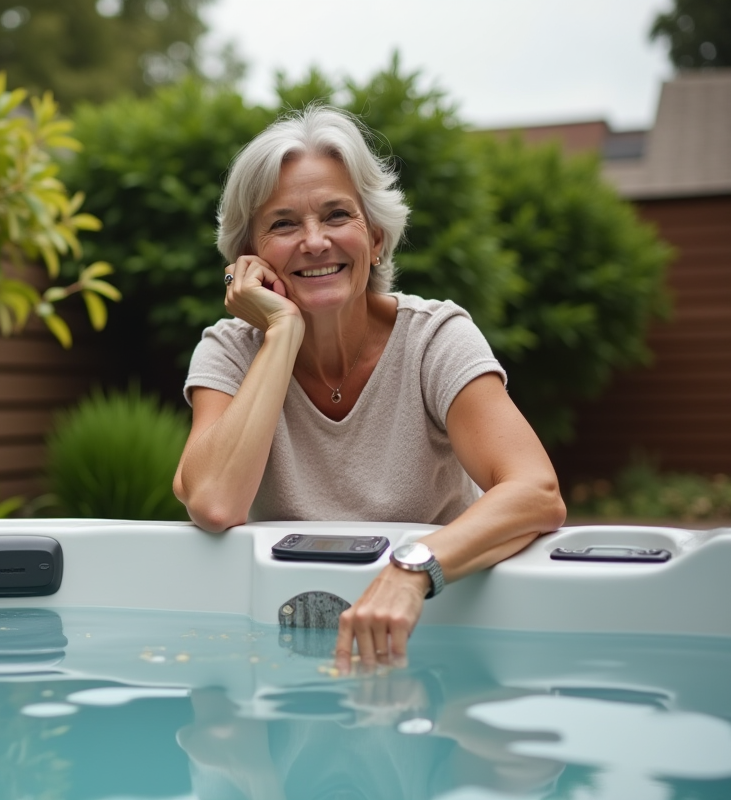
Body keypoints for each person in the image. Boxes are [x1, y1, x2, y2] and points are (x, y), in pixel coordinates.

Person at [173, 106, 566, 673]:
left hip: (444, 628)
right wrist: (282, 332)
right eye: (283, 224)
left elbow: (535, 492)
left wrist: (413, 569)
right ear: (249, 258)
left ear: (375, 238)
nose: (314, 242)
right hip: (290, 646)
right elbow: (211, 501)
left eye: (337, 215)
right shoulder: (231, 351)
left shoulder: (435, 338)